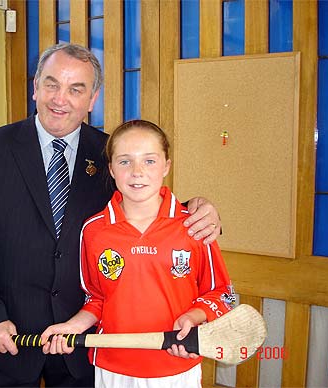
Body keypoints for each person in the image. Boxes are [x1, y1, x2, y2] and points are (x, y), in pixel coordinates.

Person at [0, 43, 222, 387]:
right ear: (36, 87)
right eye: (51, 84)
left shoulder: (112, 152)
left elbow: (148, 201)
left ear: (92, 100)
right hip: (9, 333)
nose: (60, 98)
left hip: (86, 338)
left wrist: (200, 208)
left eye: (76, 89)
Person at [41, 120, 235, 388]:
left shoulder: (194, 225)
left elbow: (222, 294)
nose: (137, 172)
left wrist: (193, 318)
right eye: (124, 162)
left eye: (149, 161)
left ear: (166, 165)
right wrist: (71, 327)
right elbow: (97, 299)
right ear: (111, 169)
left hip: (176, 365)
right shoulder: (94, 230)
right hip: (113, 368)